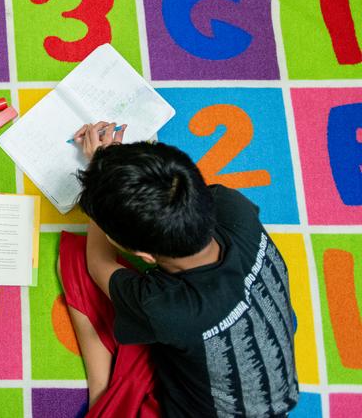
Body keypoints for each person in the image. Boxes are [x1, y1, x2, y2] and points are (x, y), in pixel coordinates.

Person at [60, 121, 298, 417]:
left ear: (144, 255)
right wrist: (116, 172)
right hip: (270, 383)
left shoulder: (163, 307)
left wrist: (100, 177)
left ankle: (102, 392)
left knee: (74, 257)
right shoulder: (232, 205)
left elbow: (98, 264)